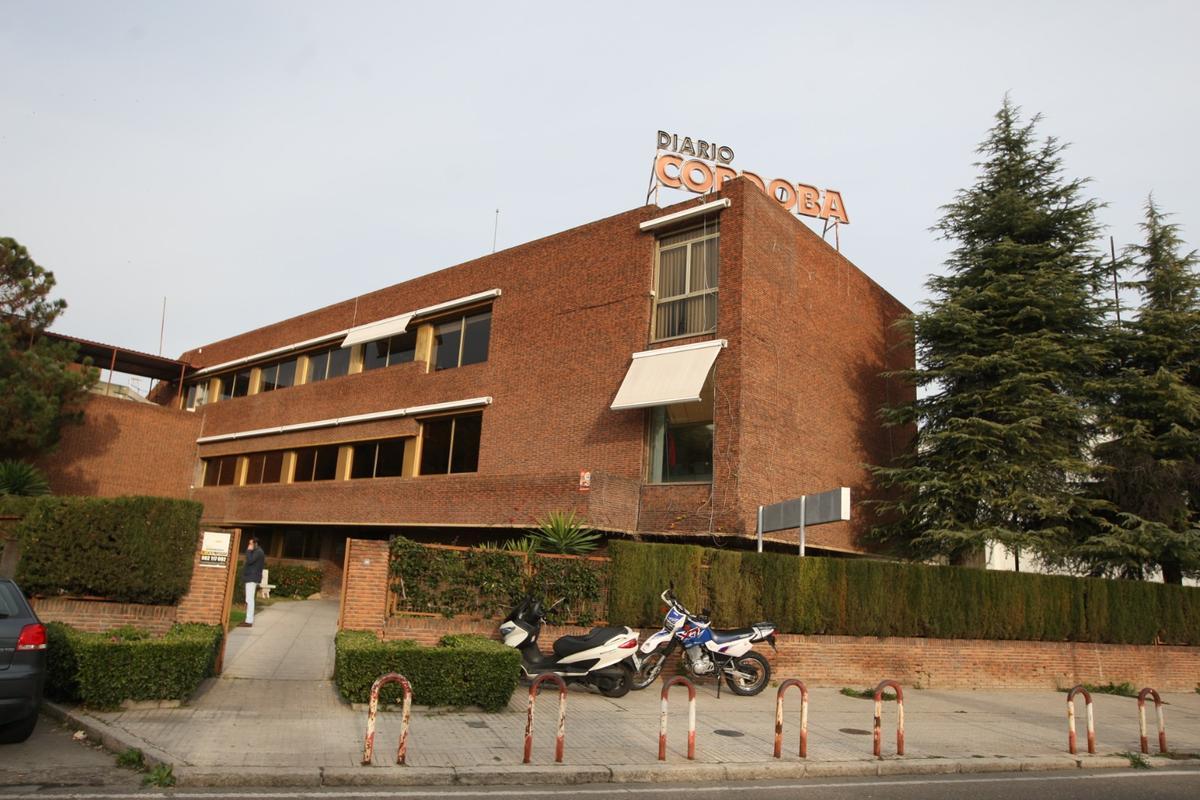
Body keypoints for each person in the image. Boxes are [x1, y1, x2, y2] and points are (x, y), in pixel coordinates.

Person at [240, 536, 265, 627]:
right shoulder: (257, 551)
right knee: (249, 599)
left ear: (255, 544)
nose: (249, 545)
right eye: (249, 543)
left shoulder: (258, 552)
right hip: (251, 577)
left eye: (251, 543)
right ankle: (248, 620)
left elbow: (250, 561)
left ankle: (249, 621)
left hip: (252, 578)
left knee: (249, 600)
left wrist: (248, 550)